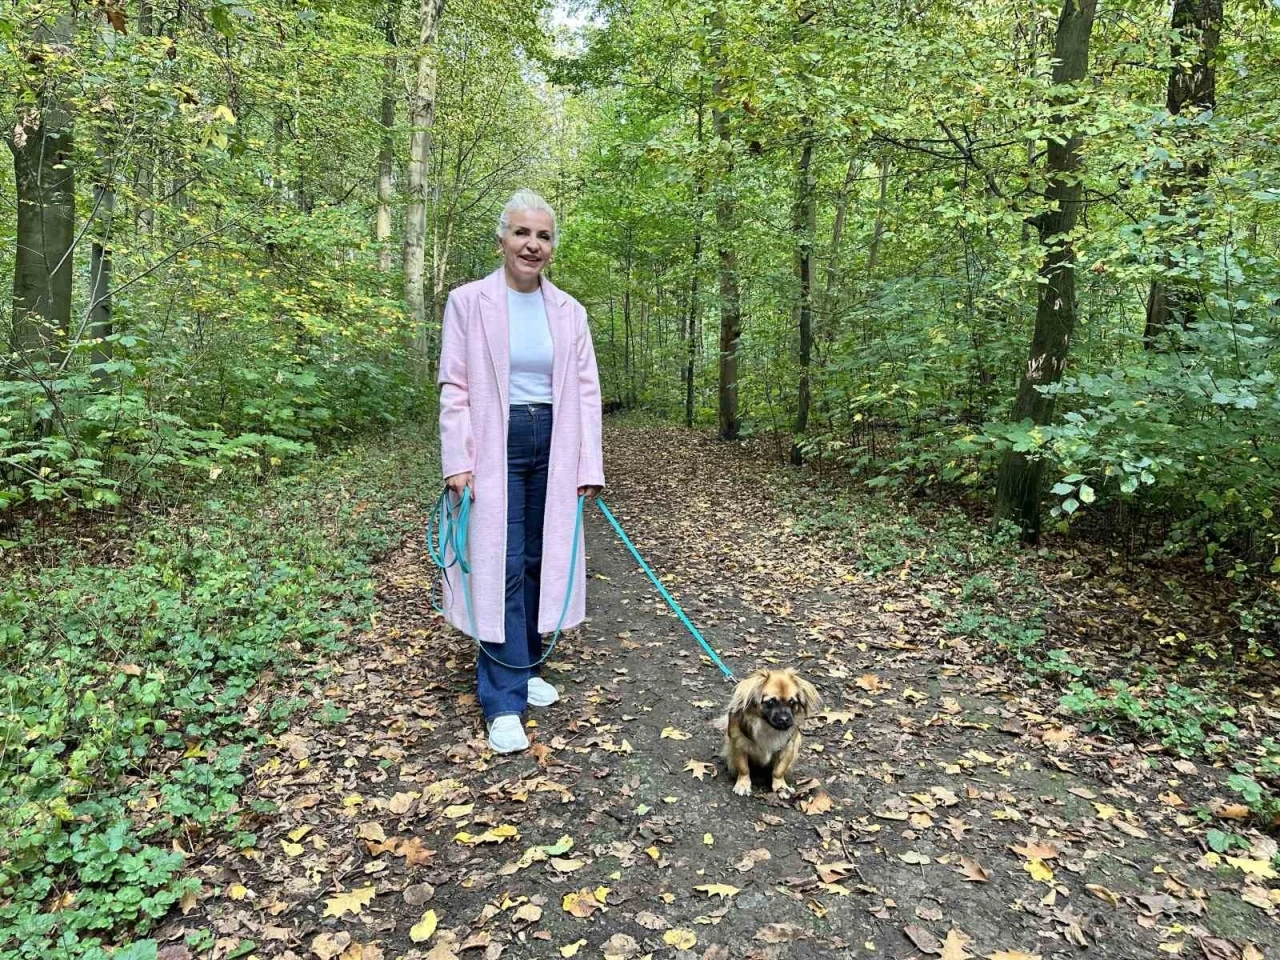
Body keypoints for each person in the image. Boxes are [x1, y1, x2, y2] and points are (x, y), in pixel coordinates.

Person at [436, 189, 605, 754]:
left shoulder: (570, 311)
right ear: (502, 239)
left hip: (554, 441)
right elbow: (454, 384)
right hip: (493, 442)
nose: (532, 245)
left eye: (543, 236)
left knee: (539, 558)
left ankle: (526, 663)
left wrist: (588, 462)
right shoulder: (468, 301)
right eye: (522, 233)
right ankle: (503, 700)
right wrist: (458, 458)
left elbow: (586, 390)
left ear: (553, 246)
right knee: (499, 564)